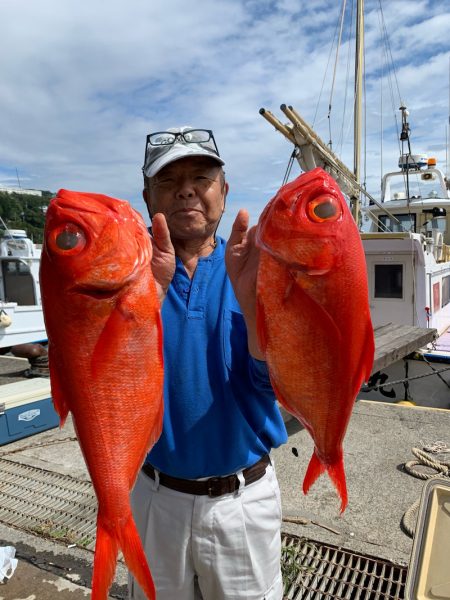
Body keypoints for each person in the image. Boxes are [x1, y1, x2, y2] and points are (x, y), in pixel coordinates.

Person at [129, 127, 288, 600]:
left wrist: (253, 302)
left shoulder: (259, 265)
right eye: (168, 180)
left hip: (244, 500)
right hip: (154, 495)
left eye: (201, 176)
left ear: (224, 190)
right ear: (147, 196)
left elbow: (276, 382)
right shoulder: (126, 275)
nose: (186, 189)